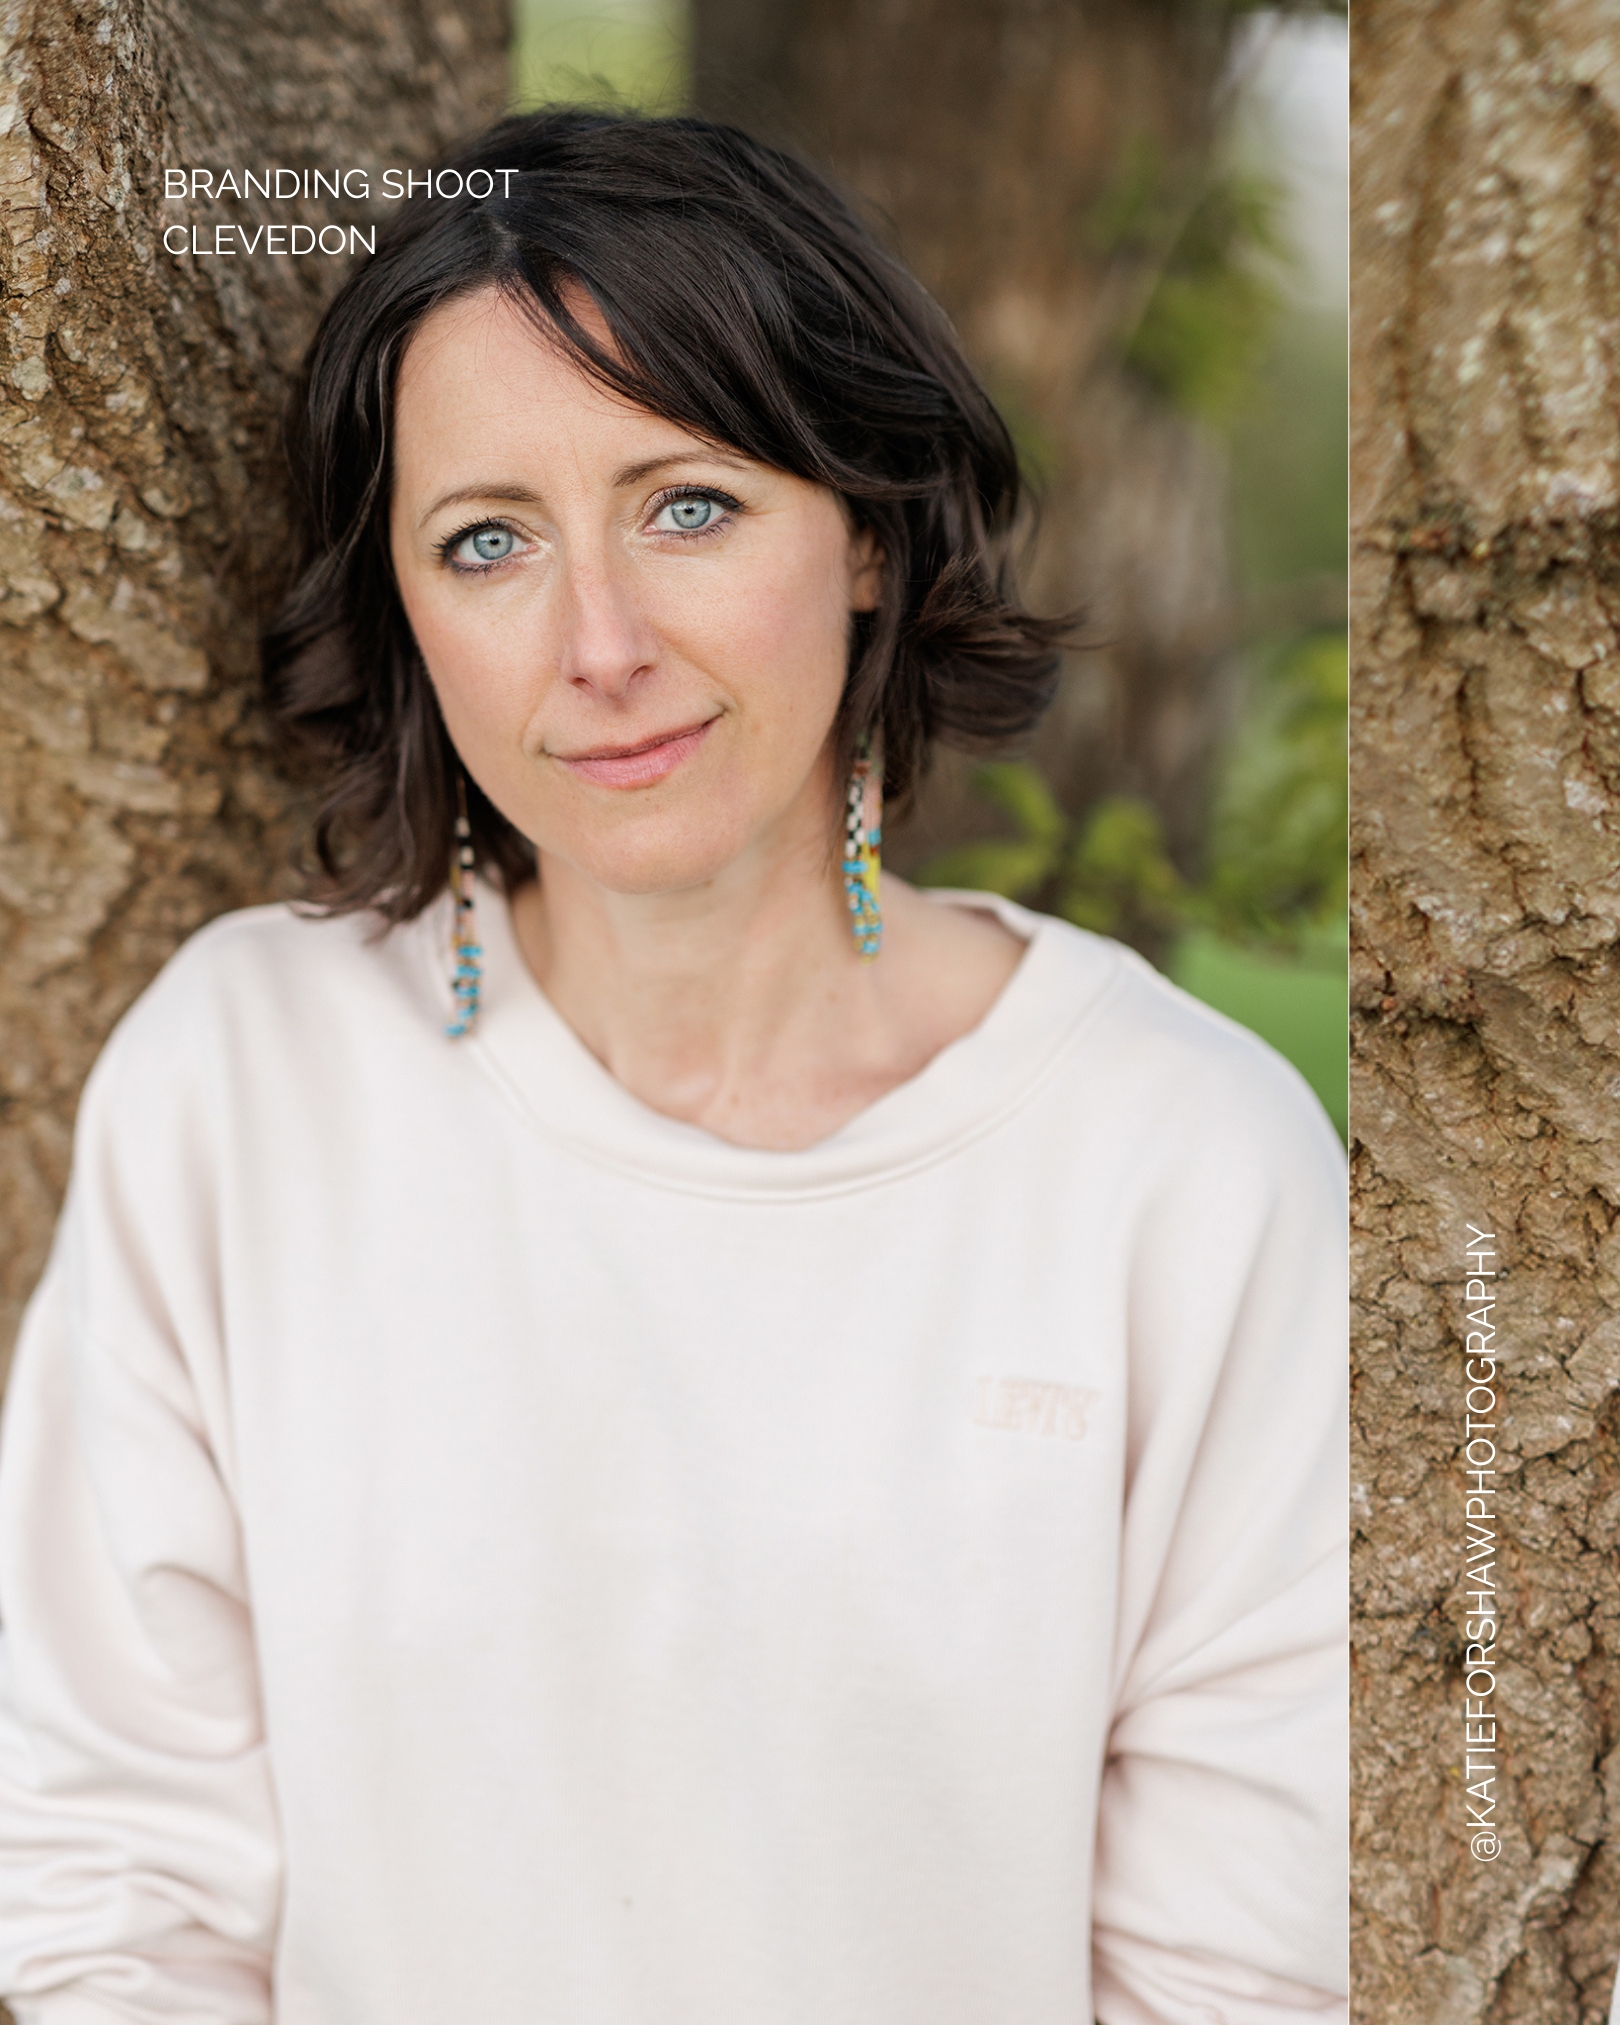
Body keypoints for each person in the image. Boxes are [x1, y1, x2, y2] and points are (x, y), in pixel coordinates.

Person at [0, 107, 1347, 2025]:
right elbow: (106, 1885)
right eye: (488, 543)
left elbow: (1241, 1973)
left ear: (870, 535)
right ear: (406, 612)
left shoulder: (1179, 1162)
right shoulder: (244, 1083)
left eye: (689, 506)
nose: (599, 644)